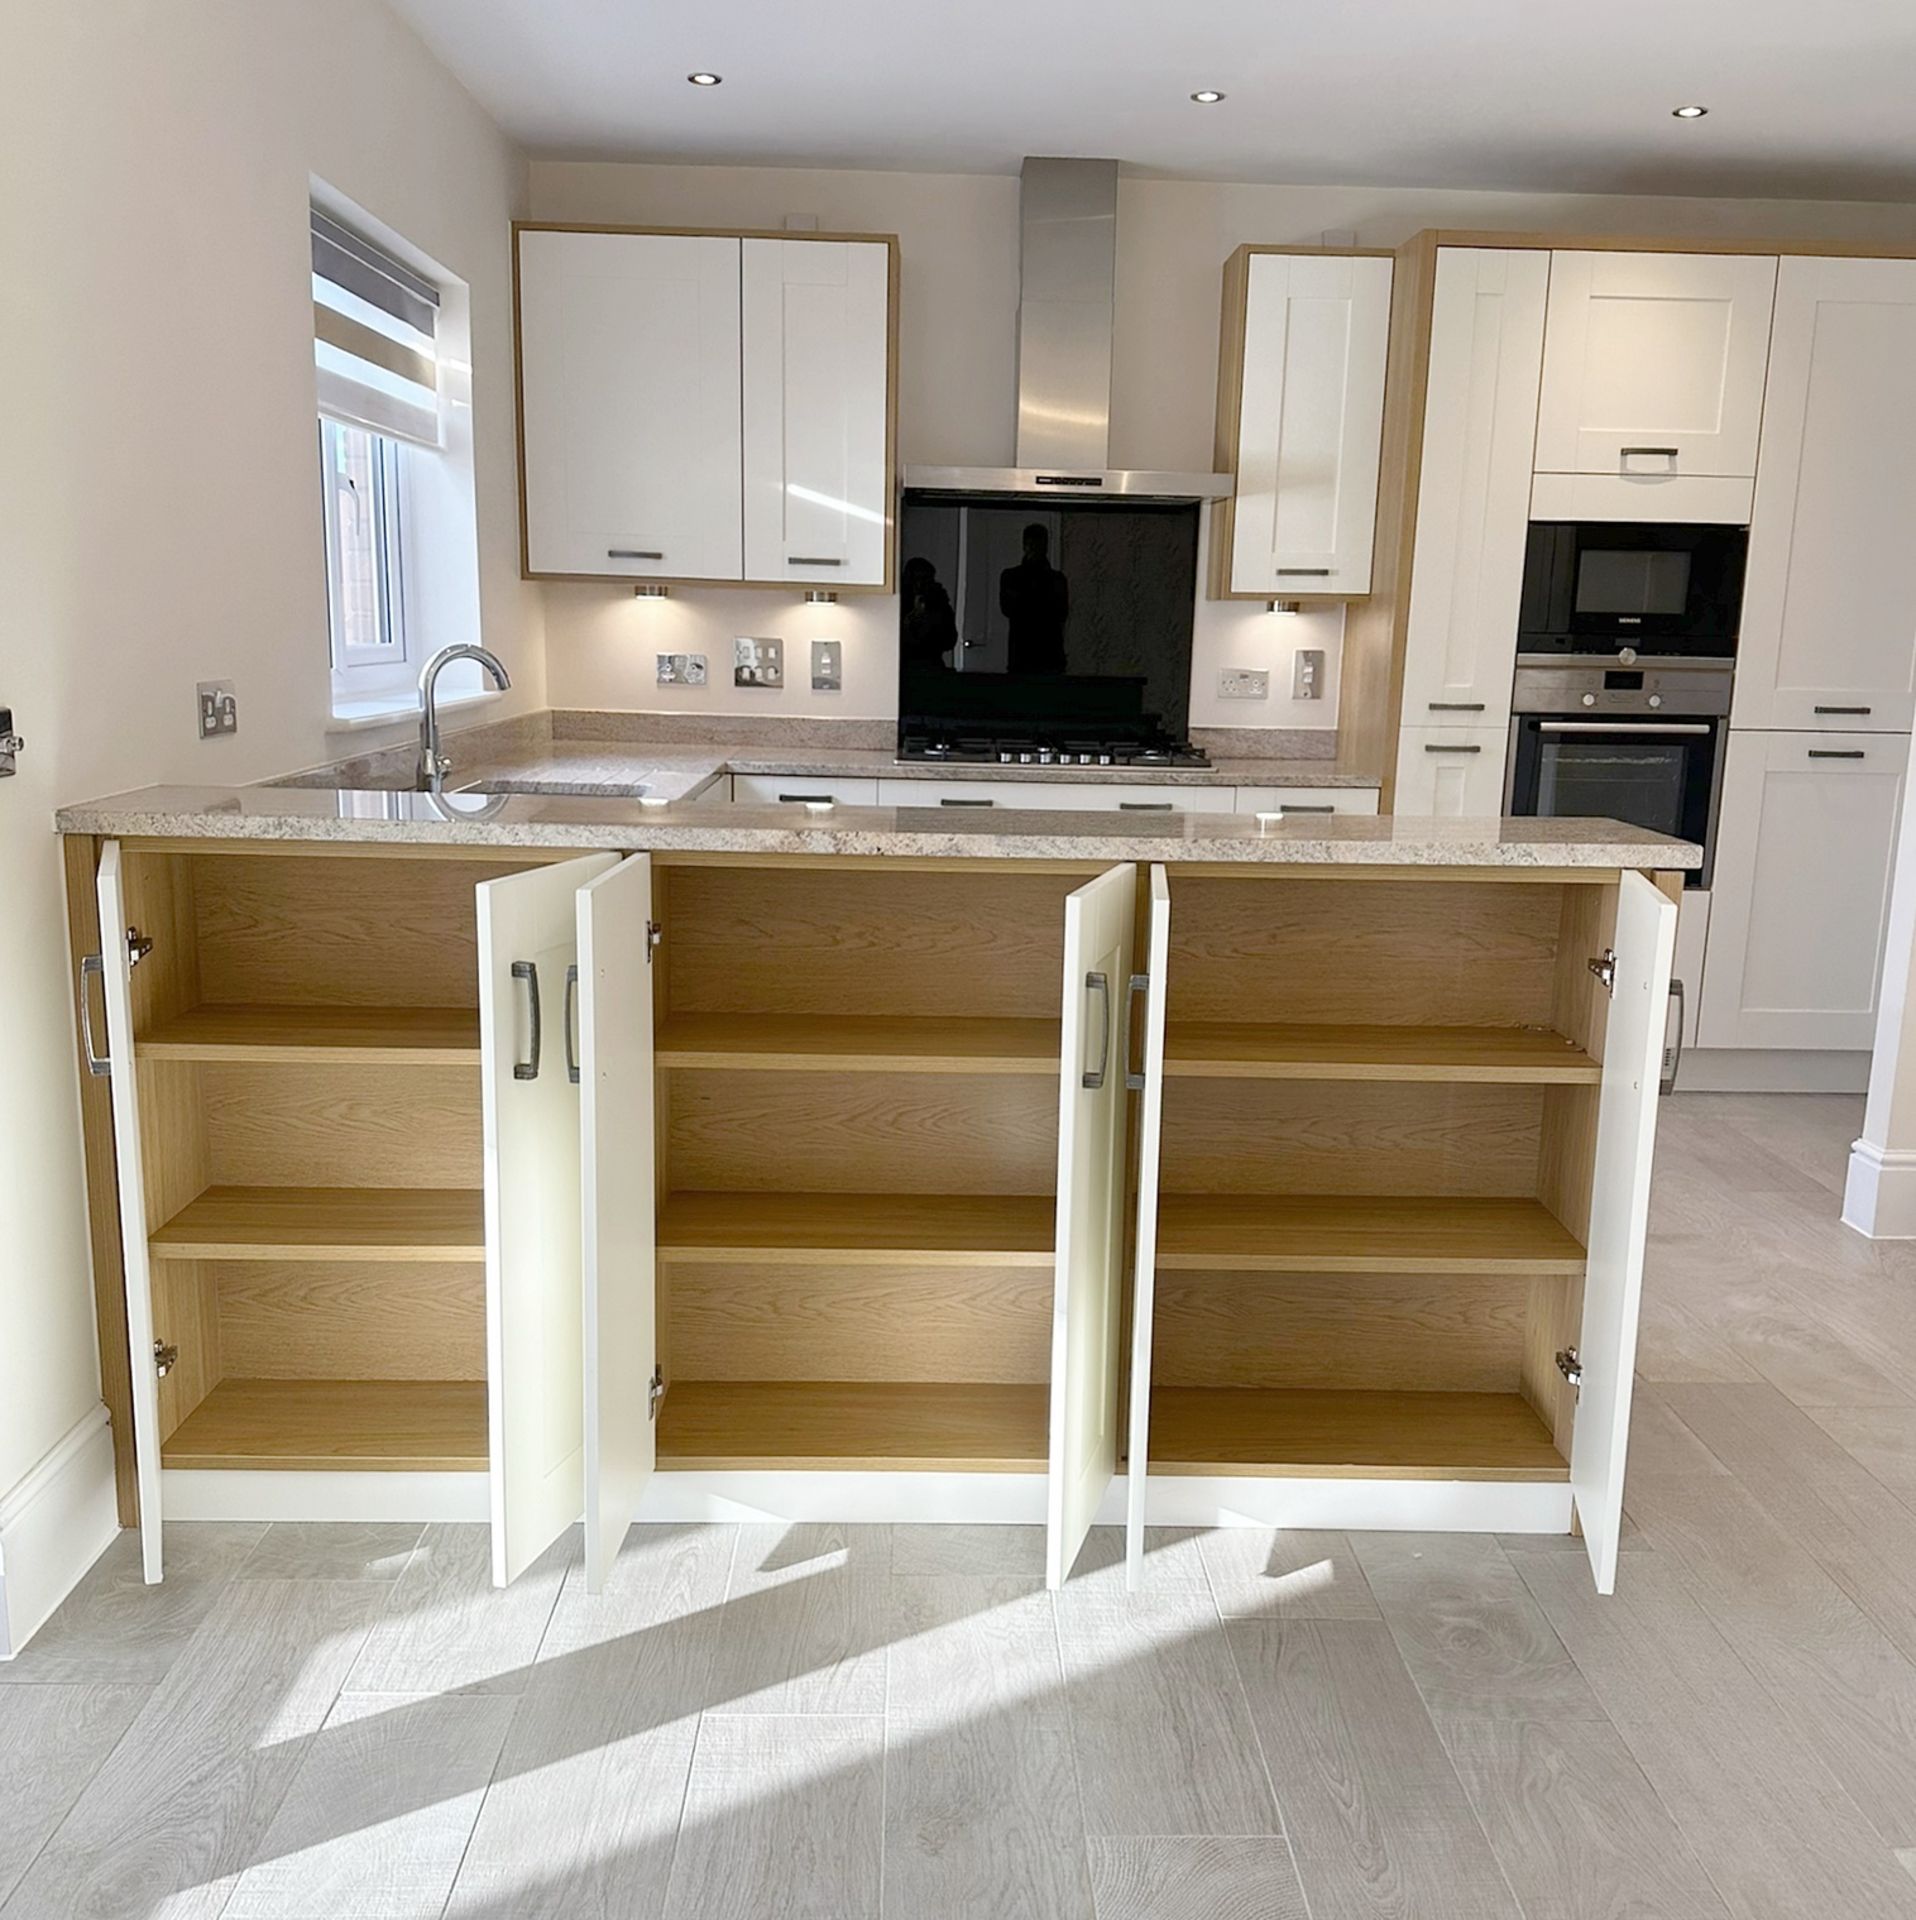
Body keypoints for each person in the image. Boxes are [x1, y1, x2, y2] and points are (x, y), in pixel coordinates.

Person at [1000, 523, 1069, 675]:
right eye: (1032, 544)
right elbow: (1008, 608)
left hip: (1045, 654)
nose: (1035, 549)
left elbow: (1061, 612)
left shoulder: (1055, 579)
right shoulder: (1012, 577)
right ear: (1025, 546)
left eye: (1039, 545)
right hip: (1025, 653)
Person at [900, 554, 958, 672]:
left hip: (931, 664)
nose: (920, 585)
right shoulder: (898, 602)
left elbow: (950, 640)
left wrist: (930, 619)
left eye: (925, 579)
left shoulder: (939, 602)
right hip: (904, 666)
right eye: (916, 579)